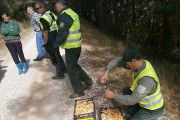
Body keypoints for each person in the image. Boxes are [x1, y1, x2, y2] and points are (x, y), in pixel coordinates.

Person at [101, 47, 164, 120]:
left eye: (127, 64)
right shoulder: (140, 63)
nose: (126, 66)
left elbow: (132, 100)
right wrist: (106, 72)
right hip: (142, 101)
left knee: (130, 100)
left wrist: (114, 96)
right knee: (126, 91)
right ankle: (135, 113)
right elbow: (118, 60)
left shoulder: (147, 80)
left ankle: (156, 118)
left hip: (152, 110)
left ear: (133, 61)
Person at [52, 0, 94, 98]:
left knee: (71, 68)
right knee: (73, 65)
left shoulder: (64, 15)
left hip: (71, 47)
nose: (55, 7)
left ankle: (79, 91)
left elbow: (63, 32)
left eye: (56, 5)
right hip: (76, 45)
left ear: (60, 4)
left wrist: (55, 45)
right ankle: (88, 81)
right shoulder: (71, 12)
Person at [35, 0, 66, 79]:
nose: (36, 10)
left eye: (37, 9)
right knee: (57, 54)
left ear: (42, 8)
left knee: (54, 57)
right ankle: (64, 69)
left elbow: (45, 31)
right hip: (56, 36)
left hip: (50, 39)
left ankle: (60, 74)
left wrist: (45, 42)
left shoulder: (44, 17)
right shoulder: (51, 14)